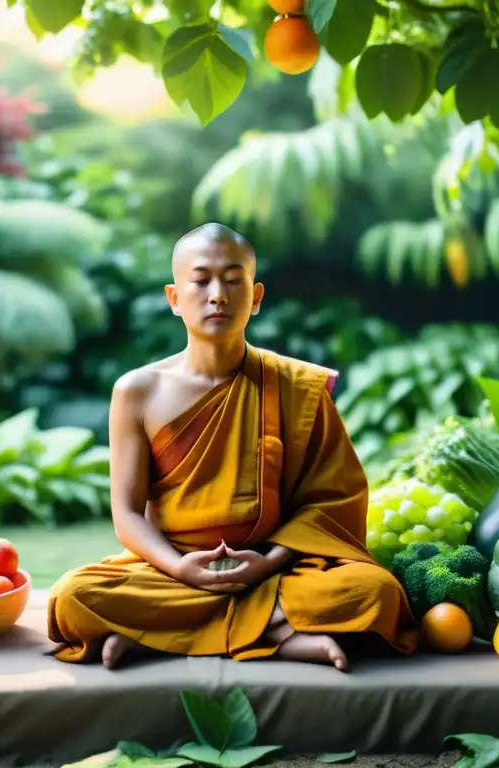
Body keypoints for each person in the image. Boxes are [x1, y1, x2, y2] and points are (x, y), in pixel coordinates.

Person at [46, 222, 420, 670]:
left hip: (274, 569)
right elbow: (127, 514)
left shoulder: (295, 385)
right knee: (71, 597)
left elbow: (330, 503)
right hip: (171, 571)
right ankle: (282, 632)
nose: (217, 294)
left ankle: (158, 637)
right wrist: (181, 568)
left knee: (376, 593)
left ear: (256, 297)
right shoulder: (137, 391)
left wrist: (267, 563)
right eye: (201, 280)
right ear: (174, 298)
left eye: (232, 279)